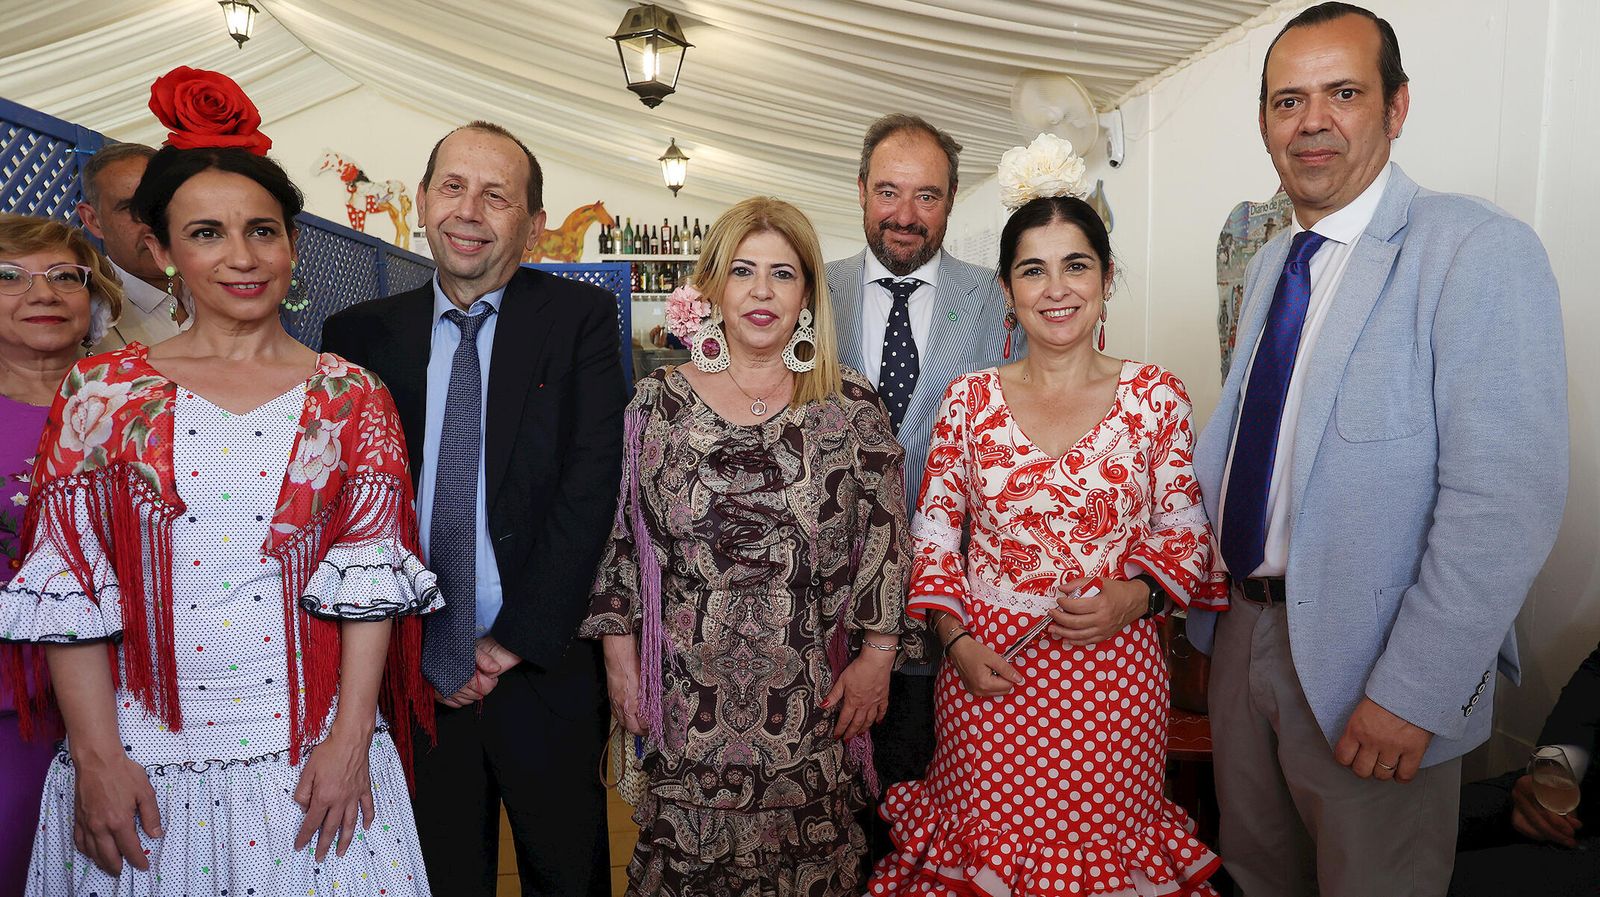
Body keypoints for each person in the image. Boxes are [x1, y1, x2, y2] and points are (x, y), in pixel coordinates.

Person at [0, 67, 438, 896]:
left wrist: (350, 744)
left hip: (315, 764)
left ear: (293, 243)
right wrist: (97, 758)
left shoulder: (353, 395)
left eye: (263, 230)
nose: (242, 257)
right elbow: (71, 590)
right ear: (160, 251)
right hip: (145, 766)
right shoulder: (104, 394)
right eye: (206, 233)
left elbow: (370, 589)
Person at [1186, 4, 1569, 895]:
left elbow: (1504, 502)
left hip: (1374, 663)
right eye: (1288, 101)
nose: (1311, 121)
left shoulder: (1476, 250)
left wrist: (1415, 690)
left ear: (1397, 108)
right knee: (1258, 875)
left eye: (1343, 92)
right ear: (1265, 124)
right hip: (1246, 637)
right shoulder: (1274, 258)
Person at [866, 135, 1227, 897]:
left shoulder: (1155, 396)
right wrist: (955, 638)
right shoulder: (968, 399)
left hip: (1113, 690)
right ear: (1006, 287)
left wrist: (1136, 594)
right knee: (985, 862)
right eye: (1033, 268)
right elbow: (932, 537)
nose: (1055, 287)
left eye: (1076, 265)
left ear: (1107, 278)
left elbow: (1188, 531)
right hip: (986, 683)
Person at [320, 120, 624, 897]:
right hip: (408, 674)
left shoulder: (578, 321)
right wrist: (421, 646)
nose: (469, 210)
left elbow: (592, 485)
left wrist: (511, 639)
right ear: (422, 200)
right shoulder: (356, 337)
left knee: (567, 875)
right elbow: (346, 507)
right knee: (440, 877)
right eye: (452, 187)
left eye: (497, 196)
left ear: (534, 223)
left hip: (541, 664)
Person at [583, 196, 918, 897]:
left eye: (782, 274)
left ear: (807, 296)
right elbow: (618, 542)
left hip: (816, 705)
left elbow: (889, 544)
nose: (762, 291)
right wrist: (620, 662)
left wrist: (877, 658)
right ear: (713, 289)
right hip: (685, 705)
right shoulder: (656, 405)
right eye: (742, 271)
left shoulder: (850, 405)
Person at [824, 113, 1016, 859]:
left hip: (958, 621)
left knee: (938, 814)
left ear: (955, 198)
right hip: (829, 613)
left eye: (927, 195)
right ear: (861, 190)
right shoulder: (810, 286)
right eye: (888, 191)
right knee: (841, 817)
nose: (905, 215)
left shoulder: (1003, 298)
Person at [0, 213, 124, 896]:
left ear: (94, 299)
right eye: (10, 276)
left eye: (64, 277)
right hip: (12, 710)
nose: (41, 292)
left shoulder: (141, 406)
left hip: (142, 702)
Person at [1451, 640, 1599, 896]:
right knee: (1412, 834)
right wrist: (1553, 773)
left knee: (1448, 882)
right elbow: (1594, 679)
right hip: (1584, 784)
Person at [75, 141, 194, 345]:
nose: (155, 222)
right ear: (93, 221)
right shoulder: (81, 319)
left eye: (165, 202)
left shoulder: (218, 292)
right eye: (132, 208)